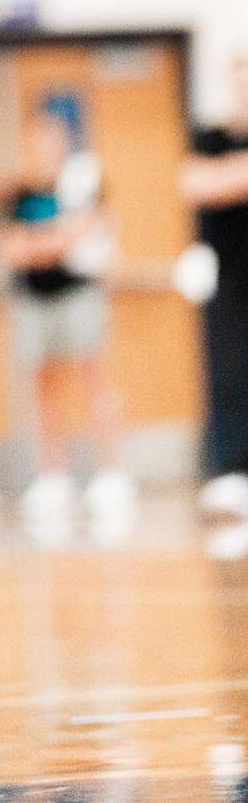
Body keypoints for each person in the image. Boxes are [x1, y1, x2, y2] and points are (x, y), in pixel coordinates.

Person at [0, 107, 133, 528]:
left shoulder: (84, 185)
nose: (46, 149)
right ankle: (53, 476)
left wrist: (48, 241)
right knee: (43, 390)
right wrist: (59, 238)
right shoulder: (16, 195)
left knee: (96, 382)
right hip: (33, 300)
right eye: (39, 141)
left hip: (79, 296)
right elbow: (13, 250)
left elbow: (95, 231)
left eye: (54, 141)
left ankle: (111, 474)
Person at [179, 55, 248, 521]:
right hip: (229, 277)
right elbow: (197, 184)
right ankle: (233, 470)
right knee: (231, 373)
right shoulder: (209, 137)